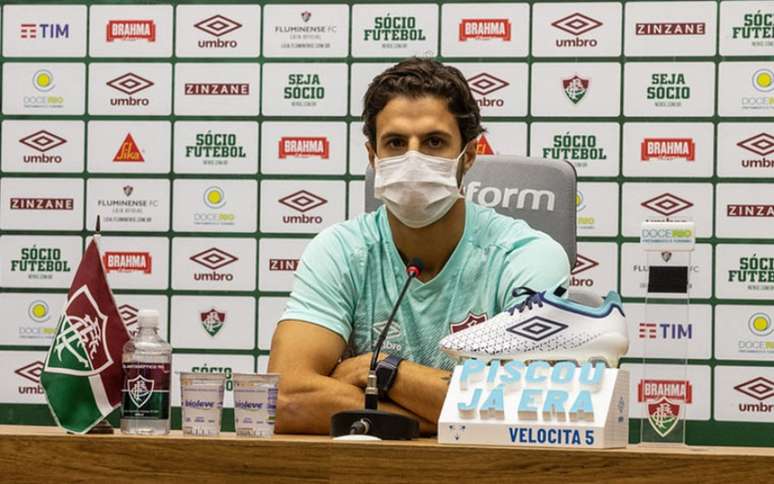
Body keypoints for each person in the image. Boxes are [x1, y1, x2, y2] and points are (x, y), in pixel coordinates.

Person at [268, 57, 570, 435]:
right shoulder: (340, 251)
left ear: (470, 155)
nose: (413, 157)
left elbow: (527, 404)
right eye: (395, 143)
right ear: (373, 157)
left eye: (434, 142)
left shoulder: (527, 256)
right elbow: (285, 399)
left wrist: (380, 370)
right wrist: (438, 417)